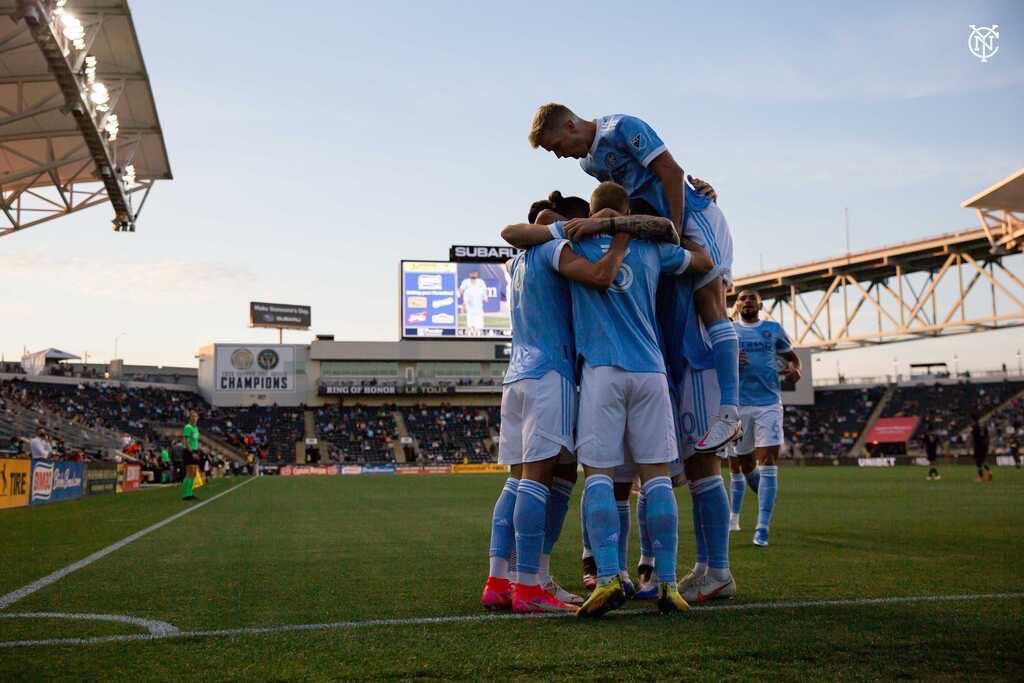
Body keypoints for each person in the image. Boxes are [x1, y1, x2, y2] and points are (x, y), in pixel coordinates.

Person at [529, 104, 741, 453]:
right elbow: (629, 200)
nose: (559, 156)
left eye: (556, 146)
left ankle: (730, 414)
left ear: (570, 125)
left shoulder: (622, 127)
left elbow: (671, 172)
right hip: (659, 228)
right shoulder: (589, 163)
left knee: (711, 304)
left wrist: (671, 228)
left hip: (691, 219)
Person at [558, 181, 711, 616]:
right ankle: (666, 582)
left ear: (591, 210)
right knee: (657, 477)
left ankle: (607, 577)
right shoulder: (651, 249)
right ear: (626, 209)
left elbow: (522, 233)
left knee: (600, 477)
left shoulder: (575, 241)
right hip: (650, 370)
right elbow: (704, 260)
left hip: (603, 371)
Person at [727, 290, 800, 548]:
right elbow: (713, 361)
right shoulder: (728, 330)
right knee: (745, 466)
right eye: (742, 299)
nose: (747, 301)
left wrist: (794, 370)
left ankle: (762, 528)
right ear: (736, 306)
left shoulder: (773, 329)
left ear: (760, 303)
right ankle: (762, 497)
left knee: (768, 461)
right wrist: (729, 358)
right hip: (738, 405)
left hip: (769, 404)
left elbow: (792, 359)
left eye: (751, 298)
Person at [458, 270, 489, 337]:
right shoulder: (466, 282)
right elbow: (461, 290)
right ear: (470, 274)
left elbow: (485, 290)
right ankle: (470, 332)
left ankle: (479, 333)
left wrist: (485, 297)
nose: (473, 274)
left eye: (475, 273)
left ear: (477, 274)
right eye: (472, 273)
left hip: (478, 305)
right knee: (470, 322)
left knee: (479, 323)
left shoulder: (481, 282)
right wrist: (459, 297)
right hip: (469, 305)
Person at [181, 411, 201, 500]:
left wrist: (197, 451)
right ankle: (186, 494)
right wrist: (192, 452)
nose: (194, 418)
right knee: (189, 473)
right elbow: (186, 442)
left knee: (193, 473)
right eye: (193, 416)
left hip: (195, 451)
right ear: (189, 418)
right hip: (189, 451)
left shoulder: (196, 428)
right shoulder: (188, 427)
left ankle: (190, 493)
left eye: (196, 416)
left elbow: (196, 440)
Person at [971, 416, 992, 483]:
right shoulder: (983, 427)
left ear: (974, 421)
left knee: (978, 462)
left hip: (978, 446)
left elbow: (974, 438)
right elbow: (987, 436)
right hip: (984, 446)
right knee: (983, 460)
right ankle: (989, 471)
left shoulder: (975, 427)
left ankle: (981, 477)